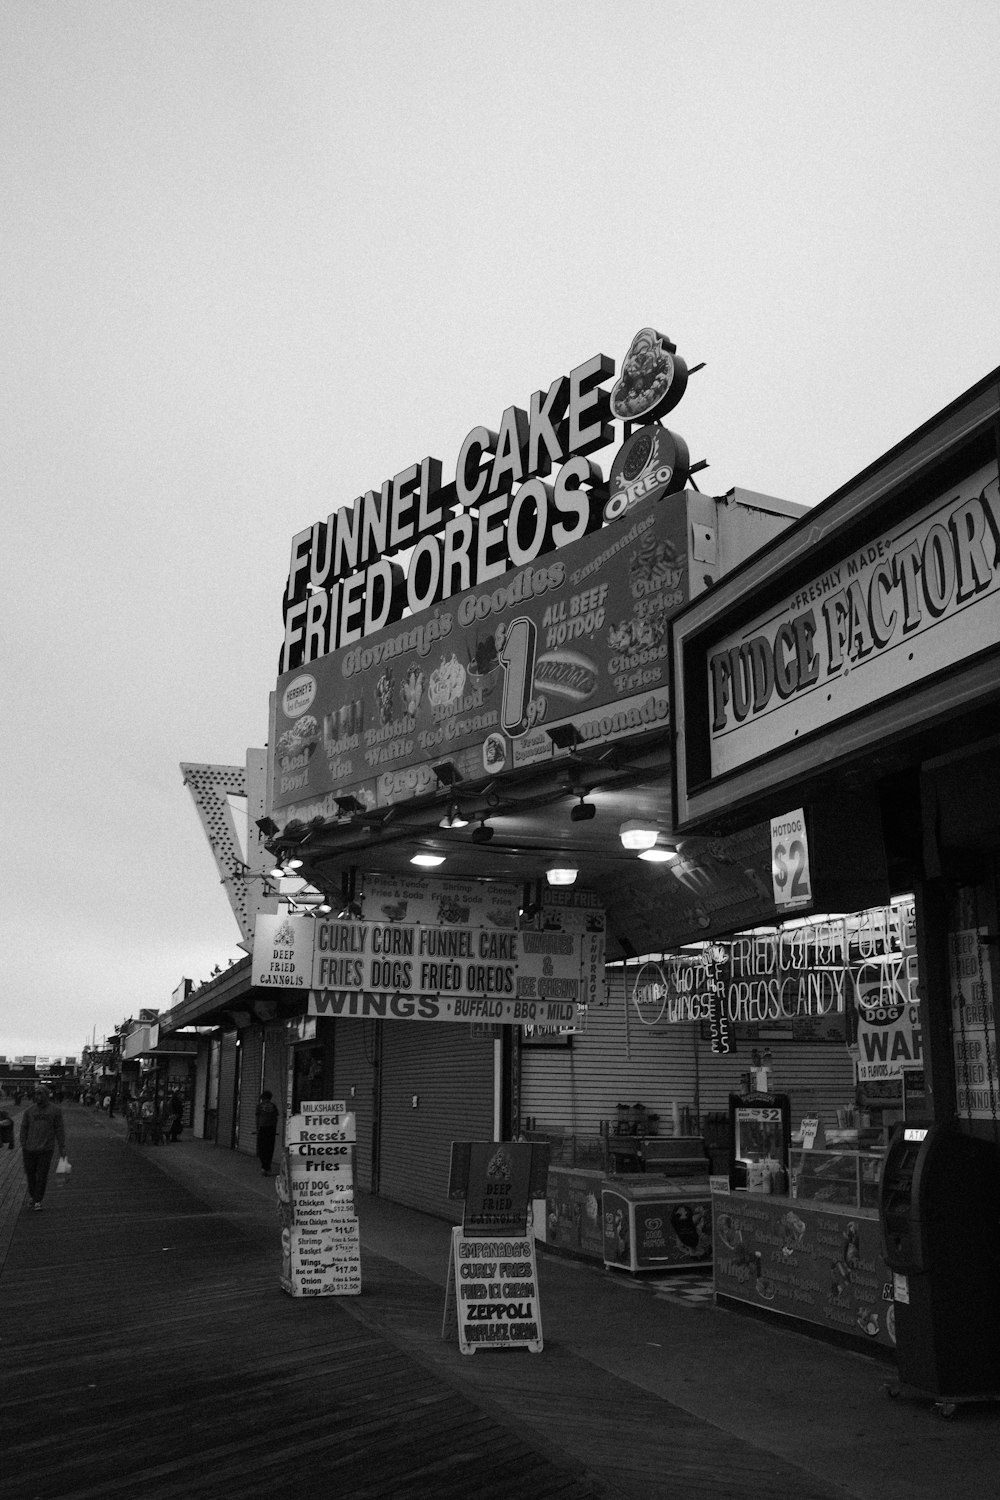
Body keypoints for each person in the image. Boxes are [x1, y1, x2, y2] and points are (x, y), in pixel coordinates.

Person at [19, 1085, 66, 1211]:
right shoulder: (29, 1111)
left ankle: (37, 1200)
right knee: (30, 1174)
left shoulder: (55, 1110)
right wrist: (23, 1144)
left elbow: (59, 1129)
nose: (37, 1096)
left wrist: (62, 1146)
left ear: (46, 1094)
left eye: (40, 1093)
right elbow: (24, 1128)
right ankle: (33, 1196)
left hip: (46, 1149)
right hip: (29, 1148)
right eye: (36, 1093)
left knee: (42, 1174)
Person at [255, 1090, 279, 1175]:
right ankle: (267, 1167)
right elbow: (276, 1118)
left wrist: (257, 1129)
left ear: (262, 1097)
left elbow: (257, 1118)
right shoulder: (273, 1106)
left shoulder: (260, 1106)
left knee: (262, 1149)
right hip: (271, 1129)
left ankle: (264, 1167)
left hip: (263, 1129)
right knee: (269, 1148)